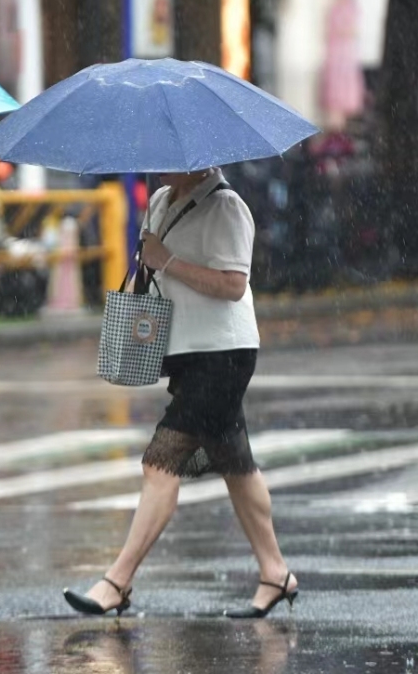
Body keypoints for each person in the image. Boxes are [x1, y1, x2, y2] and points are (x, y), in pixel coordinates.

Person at [62, 167, 297, 619]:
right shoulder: (159, 200)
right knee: (237, 465)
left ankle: (118, 581)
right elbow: (152, 270)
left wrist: (167, 260)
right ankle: (276, 573)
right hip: (185, 351)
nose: (156, 164)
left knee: (159, 463)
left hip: (224, 353)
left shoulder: (227, 206)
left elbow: (233, 285)